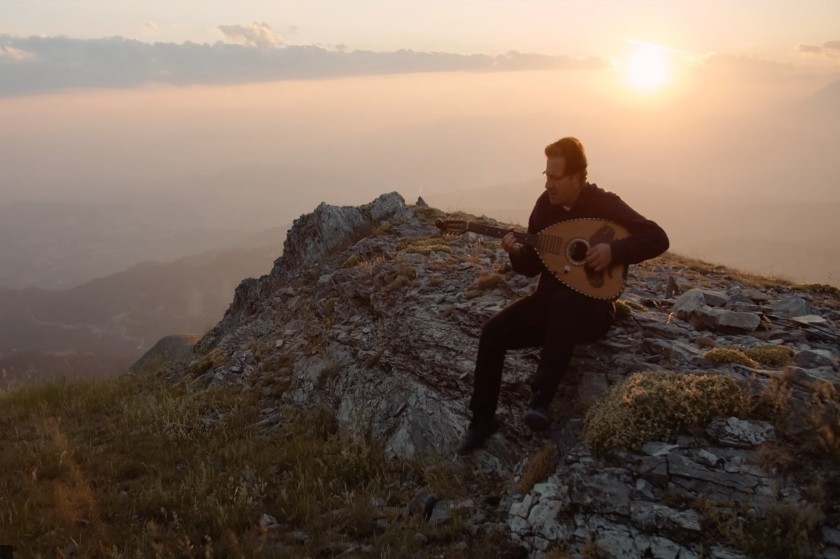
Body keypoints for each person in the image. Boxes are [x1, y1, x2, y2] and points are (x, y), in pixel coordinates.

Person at [457, 136, 669, 455]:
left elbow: (657, 237)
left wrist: (614, 250)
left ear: (576, 178)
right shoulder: (545, 207)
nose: (549, 184)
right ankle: (482, 419)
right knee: (492, 333)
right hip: (548, 307)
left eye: (555, 177)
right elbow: (531, 266)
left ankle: (540, 401)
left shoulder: (604, 203)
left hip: (591, 313)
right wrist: (515, 252)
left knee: (565, 302)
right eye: (546, 175)